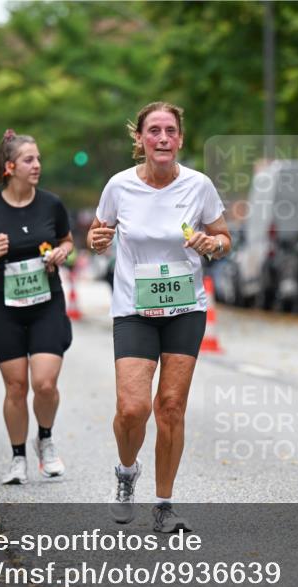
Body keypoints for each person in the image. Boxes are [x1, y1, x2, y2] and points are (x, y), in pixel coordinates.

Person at [88, 101, 232, 532]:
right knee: (132, 408)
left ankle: (165, 505)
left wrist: (213, 245)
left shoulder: (199, 186)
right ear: (141, 140)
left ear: (181, 139)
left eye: (170, 131)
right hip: (134, 307)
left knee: (170, 406)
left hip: (185, 308)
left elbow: (224, 238)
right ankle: (126, 471)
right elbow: (98, 233)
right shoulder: (119, 186)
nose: (163, 138)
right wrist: (96, 239)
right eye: (154, 131)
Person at [0, 130, 74, 484]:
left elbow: (68, 240)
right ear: (10, 167)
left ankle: (45, 438)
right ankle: (17, 458)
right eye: (29, 160)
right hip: (4, 307)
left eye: (39, 158)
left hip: (46, 303)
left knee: (44, 384)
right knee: (15, 387)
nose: (37, 165)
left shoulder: (51, 204)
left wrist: (62, 252)